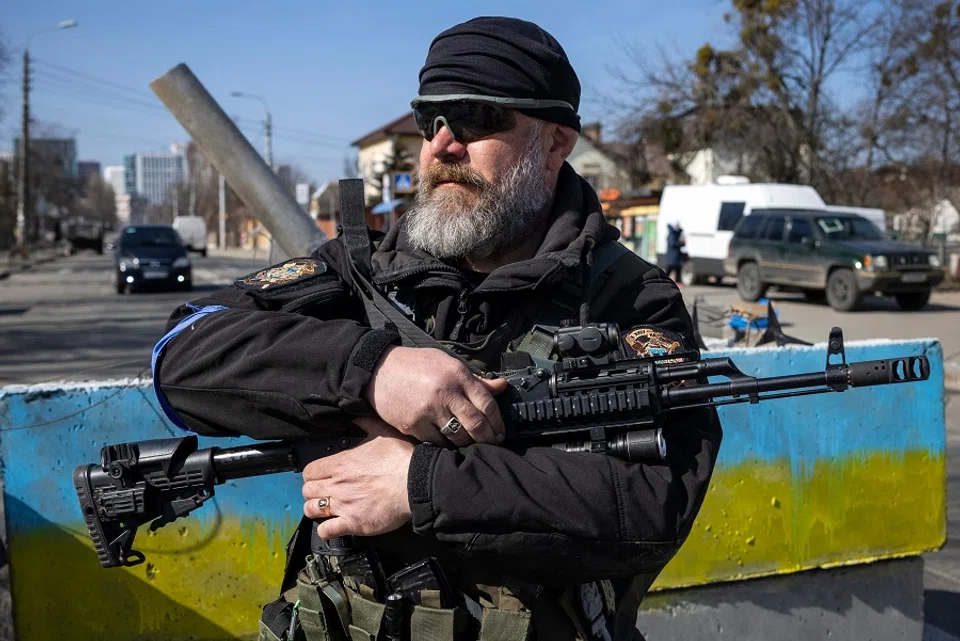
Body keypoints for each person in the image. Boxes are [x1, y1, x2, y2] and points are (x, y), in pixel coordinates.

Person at [152, 16, 721, 641]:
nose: (442, 147)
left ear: (555, 142)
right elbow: (182, 353)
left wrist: (420, 483)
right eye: (431, 121)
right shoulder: (362, 272)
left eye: (475, 118)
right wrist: (372, 372)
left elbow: (653, 505)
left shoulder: (630, 298)